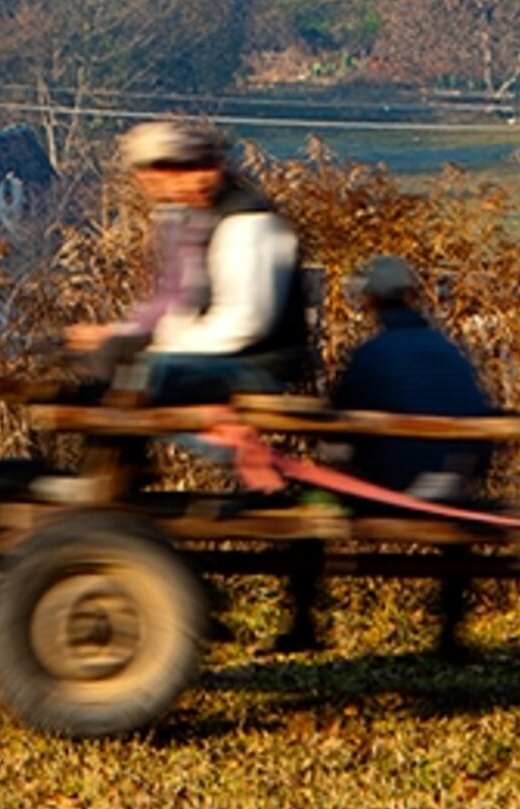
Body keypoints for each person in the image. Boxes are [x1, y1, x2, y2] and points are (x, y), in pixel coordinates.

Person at [66, 119, 306, 484]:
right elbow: (176, 303)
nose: (169, 183)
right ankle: (117, 471)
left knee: (143, 376)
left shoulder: (249, 222)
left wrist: (161, 345)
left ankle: (253, 463)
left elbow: (245, 321)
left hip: (260, 363)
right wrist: (123, 334)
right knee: (108, 365)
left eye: (180, 169)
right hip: (223, 354)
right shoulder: (193, 219)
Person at [290, 253, 495, 657]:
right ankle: (451, 634)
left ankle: (303, 623)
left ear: (372, 301)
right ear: (411, 296)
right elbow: (480, 421)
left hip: (388, 490)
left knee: (303, 509)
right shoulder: (448, 350)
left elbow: (342, 426)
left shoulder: (371, 354)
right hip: (452, 490)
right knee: (456, 539)